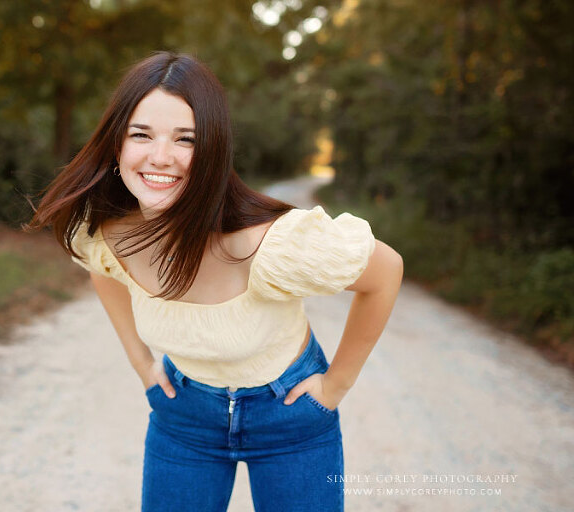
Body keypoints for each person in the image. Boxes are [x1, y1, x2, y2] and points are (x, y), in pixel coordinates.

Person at [23, 51, 403, 512]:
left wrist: (336, 386)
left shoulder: (268, 244)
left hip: (291, 417)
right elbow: (105, 274)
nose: (160, 157)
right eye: (141, 134)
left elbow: (385, 273)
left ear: (213, 151)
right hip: (184, 416)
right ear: (116, 145)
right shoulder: (106, 234)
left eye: (186, 139)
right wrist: (142, 364)